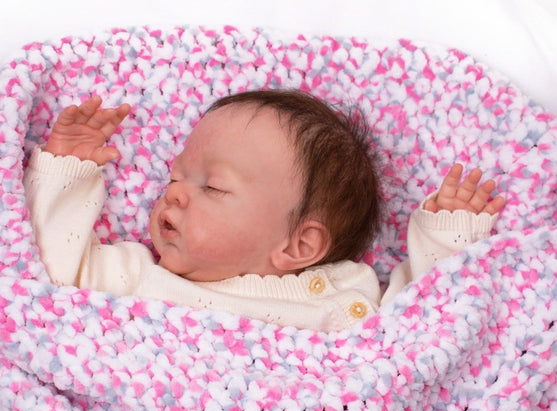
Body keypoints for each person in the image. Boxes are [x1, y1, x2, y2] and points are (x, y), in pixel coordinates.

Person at [23, 90, 504, 332]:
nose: (175, 194)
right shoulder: (137, 278)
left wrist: (447, 237)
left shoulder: (345, 297)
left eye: (213, 187)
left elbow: (424, 327)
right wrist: (67, 170)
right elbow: (49, 270)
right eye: (174, 177)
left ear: (300, 245)